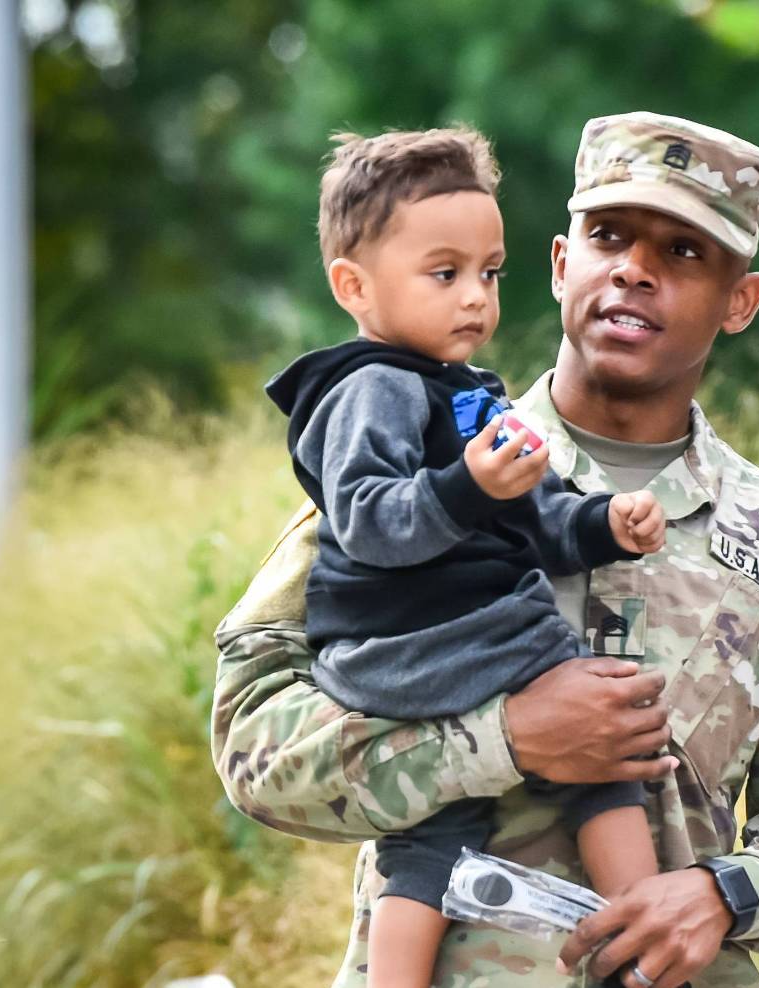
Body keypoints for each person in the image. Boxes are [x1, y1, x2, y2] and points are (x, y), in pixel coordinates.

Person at [212, 111, 759, 988]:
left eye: (685, 252)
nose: (634, 269)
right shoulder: (415, 468)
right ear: (559, 263)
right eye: (609, 235)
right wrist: (500, 739)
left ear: (742, 301)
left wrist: (725, 893)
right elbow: (253, 748)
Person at [264, 127, 667, 988]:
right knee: (600, 719)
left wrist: (605, 526)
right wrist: (468, 487)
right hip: (411, 640)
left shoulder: (465, 394)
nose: (474, 299)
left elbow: (541, 515)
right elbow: (369, 521)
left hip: (415, 654)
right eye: (444, 274)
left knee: (431, 837)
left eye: (489, 273)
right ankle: (646, 926)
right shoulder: (370, 389)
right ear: (353, 285)